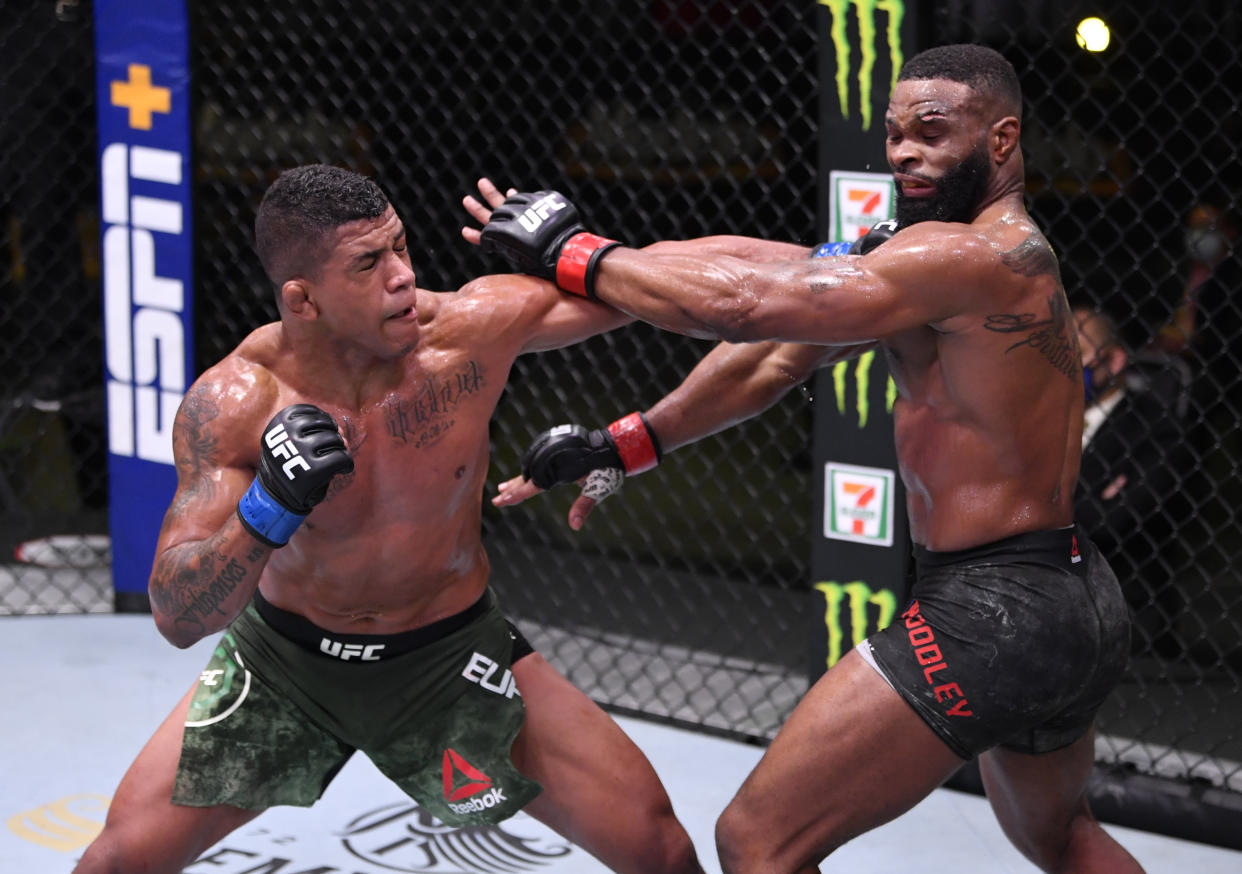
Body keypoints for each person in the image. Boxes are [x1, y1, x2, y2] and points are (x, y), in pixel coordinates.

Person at [470, 44, 1146, 873]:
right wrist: (634, 438)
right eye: (895, 134)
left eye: (932, 132)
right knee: (1059, 836)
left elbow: (750, 307)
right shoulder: (927, 251)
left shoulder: (979, 256)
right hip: (1071, 595)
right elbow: (779, 339)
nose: (904, 152)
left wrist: (576, 254)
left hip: (994, 608)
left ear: (1001, 141)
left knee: (757, 841)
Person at [72, 164, 707, 874]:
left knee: (660, 846)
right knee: (115, 863)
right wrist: (266, 510)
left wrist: (580, 252)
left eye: (401, 246)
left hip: (448, 654)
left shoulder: (466, 331)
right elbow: (176, 616)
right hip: (284, 663)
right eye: (370, 263)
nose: (403, 275)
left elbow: (681, 288)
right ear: (302, 299)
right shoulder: (237, 401)